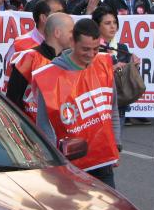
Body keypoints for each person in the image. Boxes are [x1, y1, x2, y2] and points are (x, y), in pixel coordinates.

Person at [33, 18, 121, 188]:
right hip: (70, 166)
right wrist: (55, 163)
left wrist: (117, 144)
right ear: (72, 41)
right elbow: (44, 125)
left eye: (96, 49)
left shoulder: (103, 66)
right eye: (85, 49)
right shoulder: (51, 76)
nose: (91, 54)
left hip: (103, 163)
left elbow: (112, 109)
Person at [6, 12, 74, 121]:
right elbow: (12, 100)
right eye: (71, 32)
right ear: (57, 33)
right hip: (31, 132)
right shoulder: (28, 58)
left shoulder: (69, 61)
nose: (74, 36)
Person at [91, 5, 147, 126]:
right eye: (107, 23)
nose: (112, 26)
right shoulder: (90, 49)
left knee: (117, 143)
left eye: (114, 22)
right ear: (97, 26)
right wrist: (110, 69)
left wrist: (133, 67)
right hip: (96, 106)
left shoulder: (122, 48)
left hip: (119, 105)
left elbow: (129, 81)